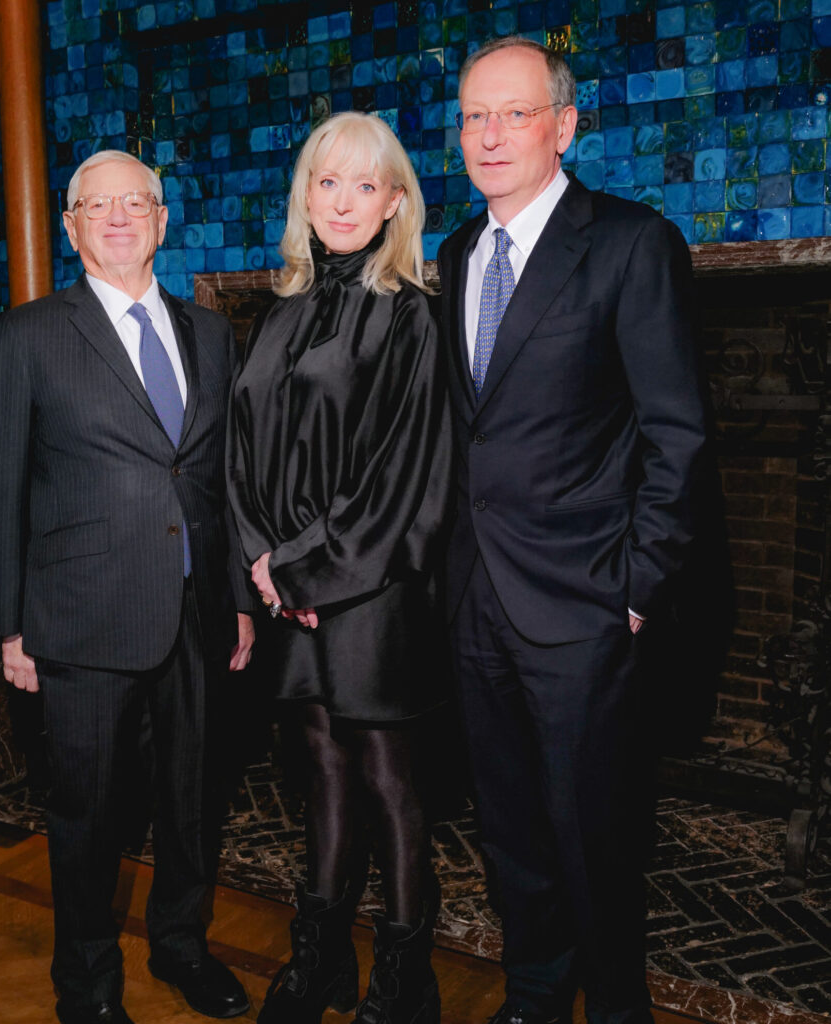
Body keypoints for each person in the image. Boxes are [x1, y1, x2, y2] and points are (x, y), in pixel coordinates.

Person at [437, 37, 708, 1024]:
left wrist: (635, 588)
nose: (489, 134)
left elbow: (674, 432)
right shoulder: (459, 252)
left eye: (513, 113)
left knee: (594, 838)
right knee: (507, 833)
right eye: (473, 115)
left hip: (586, 607)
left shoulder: (632, 244)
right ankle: (534, 999)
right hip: (476, 606)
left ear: (564, 125)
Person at [0, 149, 254, 1024]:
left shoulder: (210, 333)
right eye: (99, 207)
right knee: (86, 818)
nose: (120, 218)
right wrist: (11, 628)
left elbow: (225, 477)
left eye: (137, 203)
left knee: (192, 804)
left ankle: (181, 947)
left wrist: (241, 598)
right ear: (72, 227)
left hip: (199, 613)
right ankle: (87, 990)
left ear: (164, 220)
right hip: (81, 623)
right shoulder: (27, 334)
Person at [227, 111, 451, 1024]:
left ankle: (403, 982)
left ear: (396, 201)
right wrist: (263, 562)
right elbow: (238, 457)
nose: (344, 201)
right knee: (313, 769)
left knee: (386, 780)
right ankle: (316, 961)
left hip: (369, 588)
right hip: (285, 583)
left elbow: (406, 475)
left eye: (366, 184)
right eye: (328, 182)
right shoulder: (278, 311)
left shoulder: (411, 318)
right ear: (305, 196)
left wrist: (309, 572)